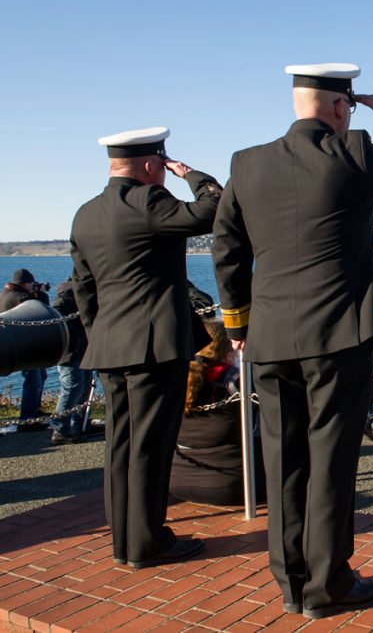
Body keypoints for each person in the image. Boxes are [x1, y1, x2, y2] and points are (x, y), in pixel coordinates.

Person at [212, 62, 373, 619]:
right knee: (331, 464)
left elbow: (226, 248)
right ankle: (328, 584)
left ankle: (291, 584)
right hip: (338, 338)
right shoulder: (354, 152)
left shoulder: (246, 164)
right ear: (342, 108)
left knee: (284, 462)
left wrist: (239, 325)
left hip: (268, 339)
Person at [70, 126, 221, 568]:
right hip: (154, 347)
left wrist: (101, 335)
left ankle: (126, 539)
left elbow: (84, 289)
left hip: (111, 345)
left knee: (121, 445)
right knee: (152, 447)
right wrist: (192, 175)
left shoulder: (86, 214)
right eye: (164, 167)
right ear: (153, 166)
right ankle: (148, 542)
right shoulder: (150, 201)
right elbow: (214, 208)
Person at [169, 320, 265, 506]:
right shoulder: (237, 382)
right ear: (229, 353)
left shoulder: (177, 381)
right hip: (233, 485)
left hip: (177, 482)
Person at [1, 269, 51, 429]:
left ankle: (34, 412)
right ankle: (28, 418)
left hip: (18, 344)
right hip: (26, 347)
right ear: (24, 284)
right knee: (33, 380)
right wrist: (41, 293)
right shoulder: (21, 298)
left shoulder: (6, 295)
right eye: (31, 284)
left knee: (39, 376)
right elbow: (42, 309)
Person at [50, 277, 93, 444]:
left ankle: (80, 423)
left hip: (82, 350)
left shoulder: (76, 293)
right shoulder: (65, 297)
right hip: (70, 352)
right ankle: (60, 428)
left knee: (84, 387)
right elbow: (57, 311)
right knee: (71, 389)